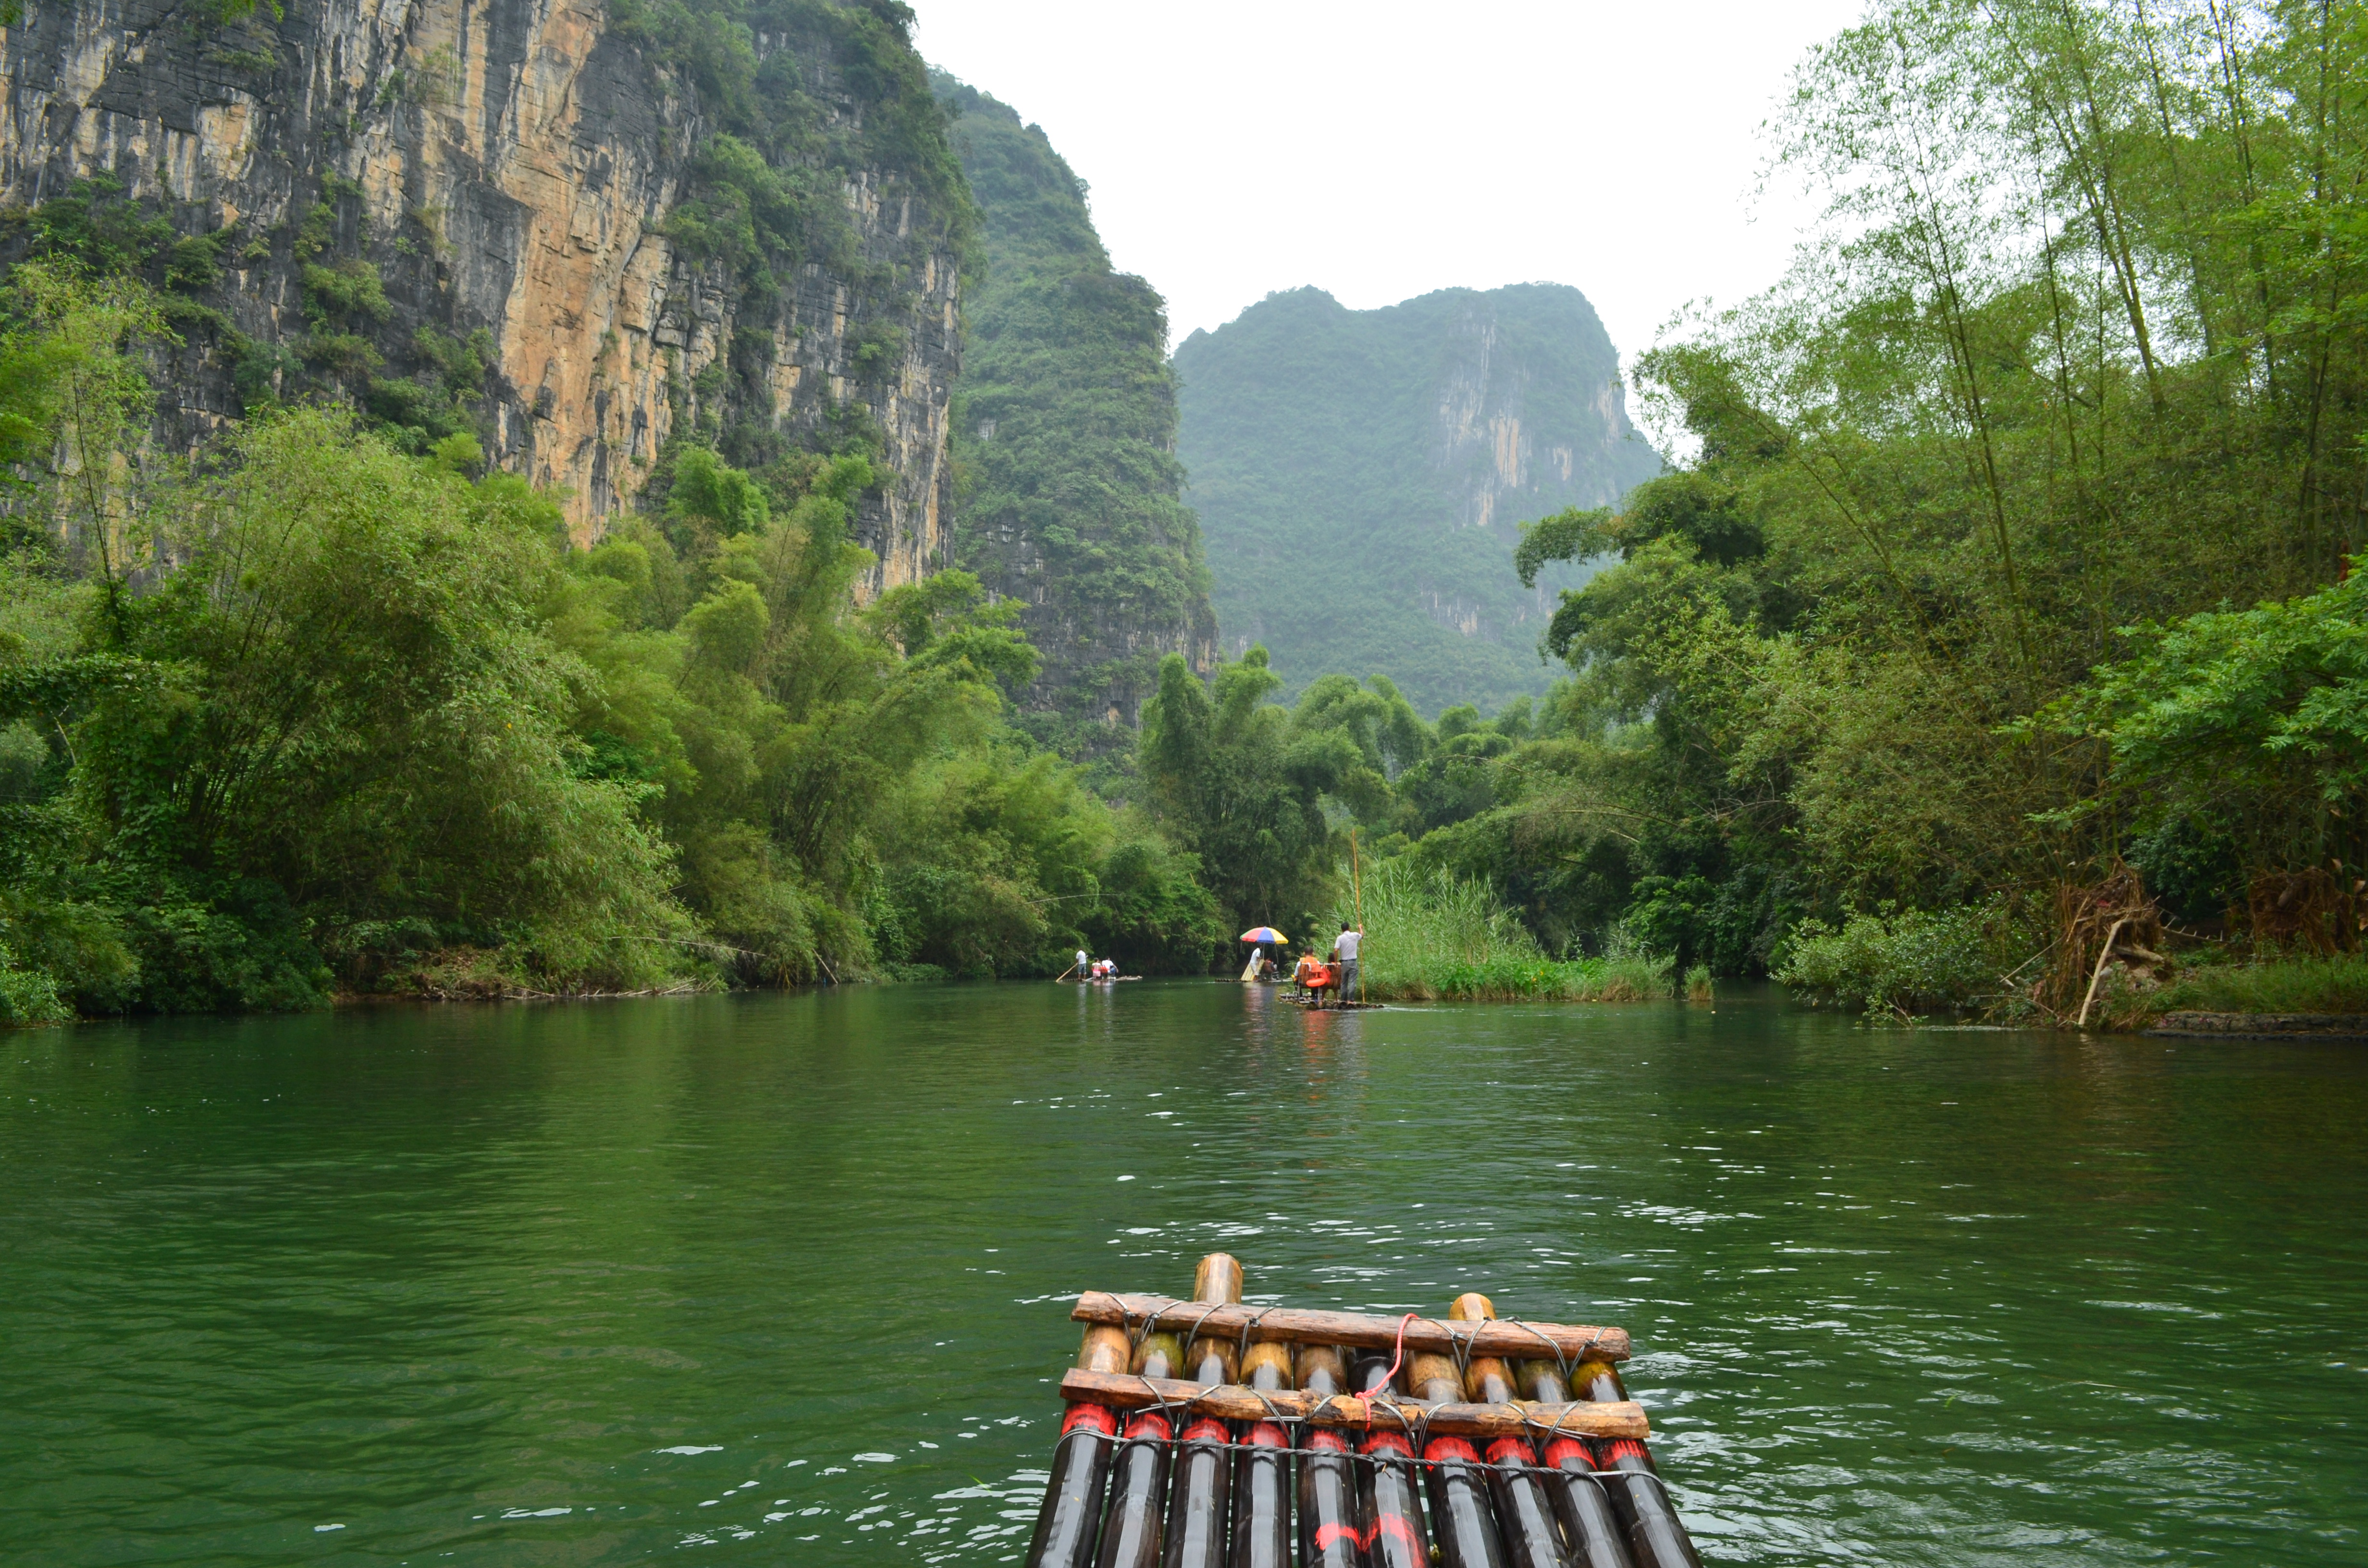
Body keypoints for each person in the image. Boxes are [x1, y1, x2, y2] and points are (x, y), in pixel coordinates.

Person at [1332, 921, 1362, 1003]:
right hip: (1353, 962)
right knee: (1352, 981)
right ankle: (1351, 1000)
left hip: (1344, 963)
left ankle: (1344, 1000)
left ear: (1342, 930)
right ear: (1349, 928)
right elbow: (1362, 935)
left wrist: (1335, 962)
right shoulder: (1355, 935)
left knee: (1344, 982)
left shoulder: (1340, 938)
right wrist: (1360, 928)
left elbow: (1336, 950)